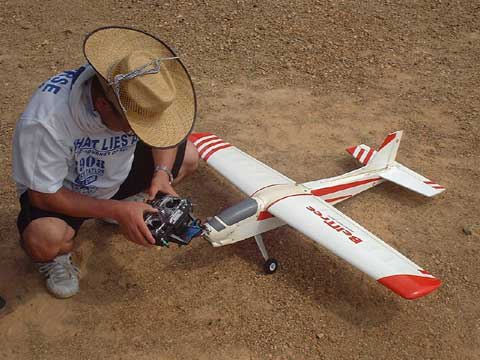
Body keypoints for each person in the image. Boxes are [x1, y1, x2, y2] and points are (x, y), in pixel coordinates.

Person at [12, 26, 199, 299]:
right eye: (135, 126)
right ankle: (57, 259)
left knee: (189, 157)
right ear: (102, 105)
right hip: (67, 191)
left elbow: (165, 134)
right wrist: (117, 209)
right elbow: (42, 195)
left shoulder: (133, 90)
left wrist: (161, 173)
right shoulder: (46, 122)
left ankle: (125, 208)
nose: (139, 134)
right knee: (45, 239)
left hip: (115, 174)